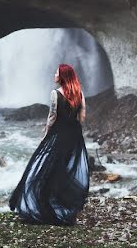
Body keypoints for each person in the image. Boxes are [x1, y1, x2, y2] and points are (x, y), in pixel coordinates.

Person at [9, 63, 90, 225]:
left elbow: (52, 116)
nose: (54, 75)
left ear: (62, 76)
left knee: (47, 166)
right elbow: (82, 116)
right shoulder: (79, 93)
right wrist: (75, 130)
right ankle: (65, 207)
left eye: (56, 73)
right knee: (68, 168)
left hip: (58, 132)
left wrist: (46, 134)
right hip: (74, 133)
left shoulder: (55, 94)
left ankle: (44, 206)